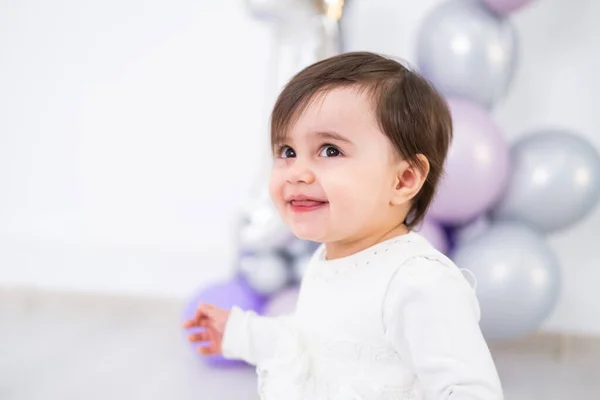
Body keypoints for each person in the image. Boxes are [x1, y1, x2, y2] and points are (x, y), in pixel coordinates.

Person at [183, 51, 503, 400]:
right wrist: (240, 333)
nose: (297, 172)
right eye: (287, 151)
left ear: (404, 179)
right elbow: (313, 343)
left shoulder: (418, 282)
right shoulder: (331, 259)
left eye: (330, 150)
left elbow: (471, 390)